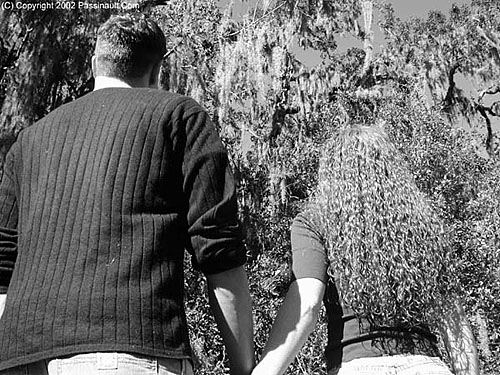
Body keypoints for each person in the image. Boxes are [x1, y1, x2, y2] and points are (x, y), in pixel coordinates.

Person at [0, 14, 254, 375]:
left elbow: (2, 268)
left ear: (94, 63)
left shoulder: (29, 140)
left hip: (18, 356)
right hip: (124, 352)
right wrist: (244, 367)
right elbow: (218, 250)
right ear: (158, 71)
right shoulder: (178, 116)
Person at [252, 125, 479, 375]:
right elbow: (455, 321)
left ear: (331, 173)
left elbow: (307, 304)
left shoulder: (315, 221)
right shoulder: (424, 227)